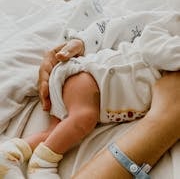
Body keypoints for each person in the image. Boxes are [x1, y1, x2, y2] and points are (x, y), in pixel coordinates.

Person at [0, 12, 180, 179]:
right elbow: (148, 39)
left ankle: (11, 153)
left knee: (57, 132)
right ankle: (42, 164)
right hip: (92, 77)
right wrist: (82, 41)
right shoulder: (169, 31)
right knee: (83, 118)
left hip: (99, 95)